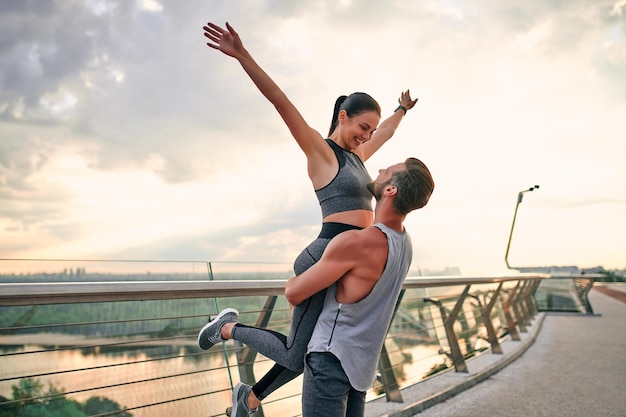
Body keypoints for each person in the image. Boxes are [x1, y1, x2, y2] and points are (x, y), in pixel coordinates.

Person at [198, 21, 417, 416]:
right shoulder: (322, 152)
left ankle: (247, 398)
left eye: (370, 130)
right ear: (344, 116)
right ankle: (227, 329)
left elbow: (385, 134)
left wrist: (400, 110)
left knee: (303, 353)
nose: (367, 136)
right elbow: (281, 101)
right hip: (323, 257)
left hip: (346, 259)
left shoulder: (359, 157)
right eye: (361, 127)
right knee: (298, 355)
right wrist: (242, 55)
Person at [202, 157, 435, 417]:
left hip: (330, 361)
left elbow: (294, 292)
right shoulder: (405, 243)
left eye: (388, 171)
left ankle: (227, 329)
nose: (380, 170)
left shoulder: (358, 242)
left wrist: (294, 282)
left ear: (391, 190)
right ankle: (245, 382)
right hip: (362, 367)